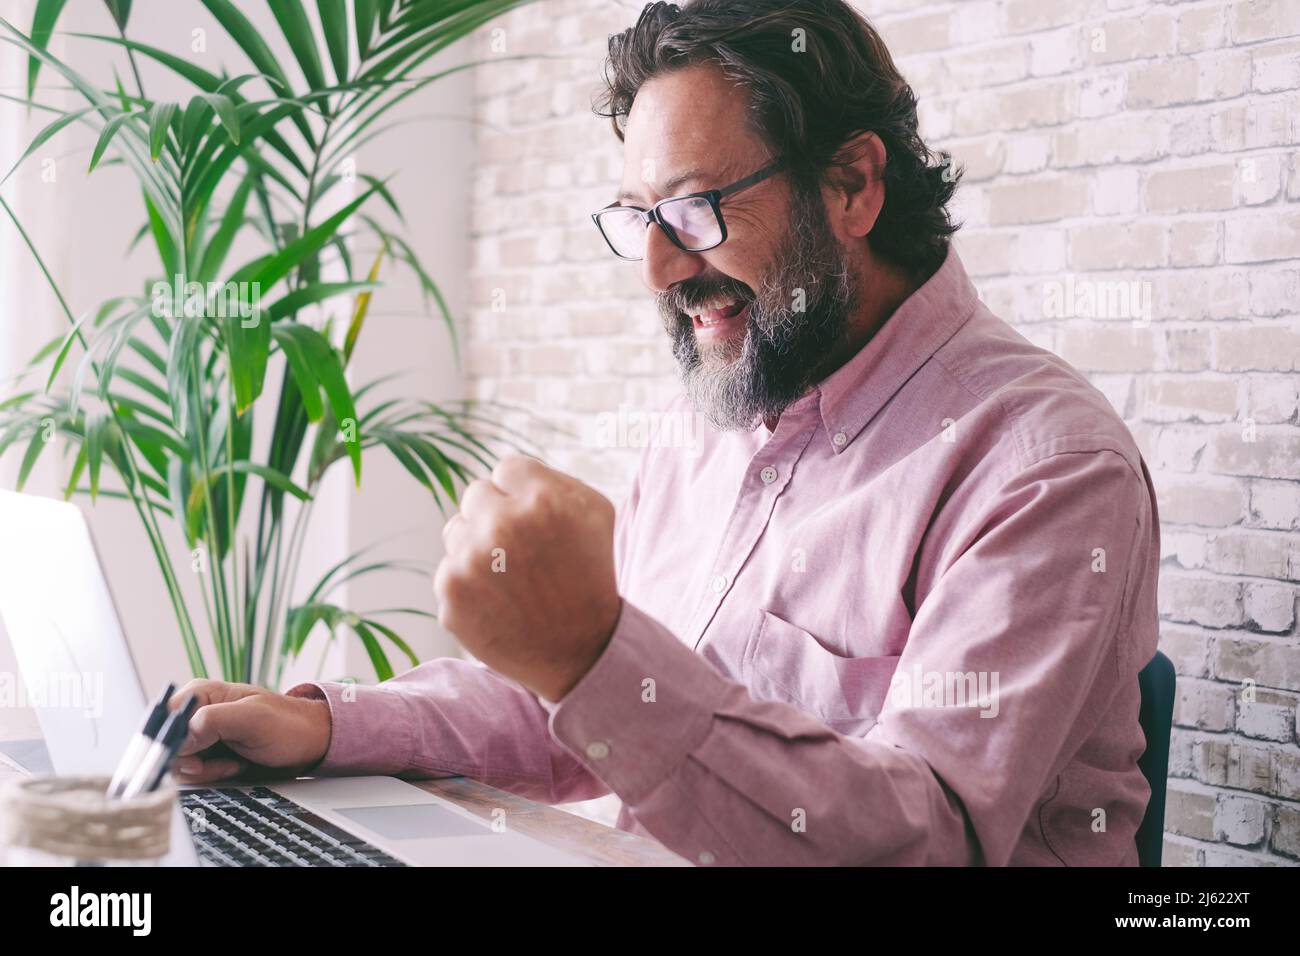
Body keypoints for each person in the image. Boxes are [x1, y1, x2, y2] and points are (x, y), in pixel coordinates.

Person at [173, 0, 1160, 866]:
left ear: (854, 184)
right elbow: (596, 708)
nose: (654, 267)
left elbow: (927, 838)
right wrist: (322, 723)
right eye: (637, 215)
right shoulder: (713, 415)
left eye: (691, 208)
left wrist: (588, 656)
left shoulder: (1045, 464)